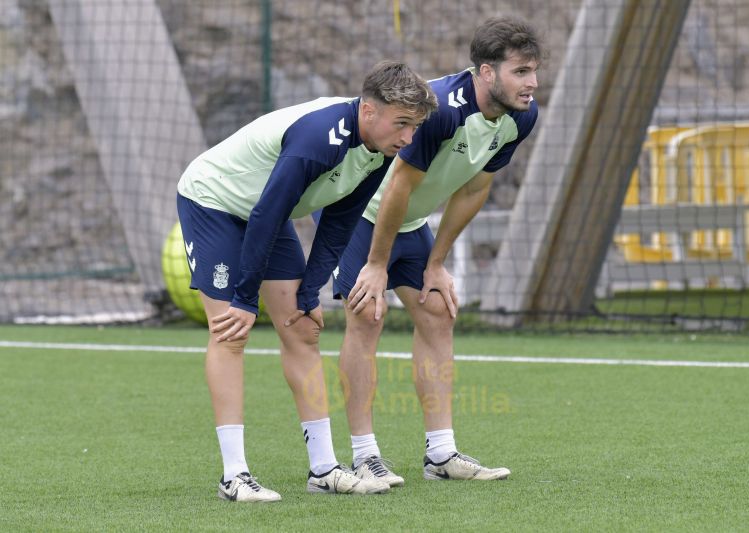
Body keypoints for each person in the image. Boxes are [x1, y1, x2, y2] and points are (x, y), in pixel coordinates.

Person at [176, 60, 437, 502]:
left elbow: (339, 221)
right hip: (214, 203)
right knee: (230, 332)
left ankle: (324, 468)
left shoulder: (380, 148)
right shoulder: (319, 138)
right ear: (369, 110)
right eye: (402, 124)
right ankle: (234, 476)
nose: (409, 138)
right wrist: (245, 298)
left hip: (267, 212)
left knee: (303, 328)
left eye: (415, 127)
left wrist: (309, 291)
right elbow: (266, 213)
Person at [333, 18, 543, 486]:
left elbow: (474, 189)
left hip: (409, 221)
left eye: (533, 71)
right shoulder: (441, 110)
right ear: (486, 72)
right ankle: (364, 455)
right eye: (521, 71)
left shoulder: (522, 117)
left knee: (437, 312)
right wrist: (376, 264)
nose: (532, 83)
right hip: (362, 215)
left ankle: (441, 455)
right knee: (367, 316)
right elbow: (397, 188)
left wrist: (436, 263)